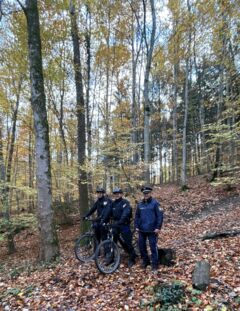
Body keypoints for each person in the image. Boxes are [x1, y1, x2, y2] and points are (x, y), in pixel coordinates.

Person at [134, 186, 163, 272]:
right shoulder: (140, 204)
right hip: (142, 230)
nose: (146, 194)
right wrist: (136, 226)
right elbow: (137, 216)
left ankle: (155, 265)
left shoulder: (155, 203)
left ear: (150, 193)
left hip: (152, 230)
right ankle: (145, 261)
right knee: (142, 247)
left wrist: (158, 227)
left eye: (147, 193)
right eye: (144, 193)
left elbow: (160, 216)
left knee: (153, 247)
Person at [107, 187, 137, 268]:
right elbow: (108, 213)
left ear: (121, 194)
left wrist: (120, 222)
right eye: (115, 194)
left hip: (124, 225)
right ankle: (112, 258)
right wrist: (103, 220)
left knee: (128, 241)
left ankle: (132, 257)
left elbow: (125, 214)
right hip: (116, 225)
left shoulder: (125, 203)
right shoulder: (113, 204)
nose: (117, 195)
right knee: (113, 241)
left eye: (118, 193)